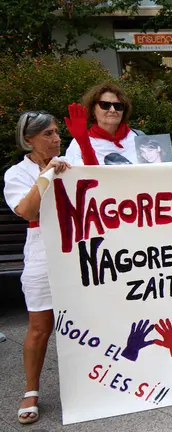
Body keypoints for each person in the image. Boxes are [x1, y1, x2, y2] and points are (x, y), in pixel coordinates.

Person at [4, 112, 70, 425]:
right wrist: (46, 175)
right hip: (42, 252)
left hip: (77, 250)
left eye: (56, 132)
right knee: (40, 326)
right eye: (47, 134)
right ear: (29, 139)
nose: (56, 139)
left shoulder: (71, 163)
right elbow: (28, 210)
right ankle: (31, 390)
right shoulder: (17, 173)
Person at [64, 82, 138, 165]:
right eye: (105, 105)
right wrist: (84, 144)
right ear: (93, 110)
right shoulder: (79, 143)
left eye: (118, 106)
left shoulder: (138, 138)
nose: (113, 110)